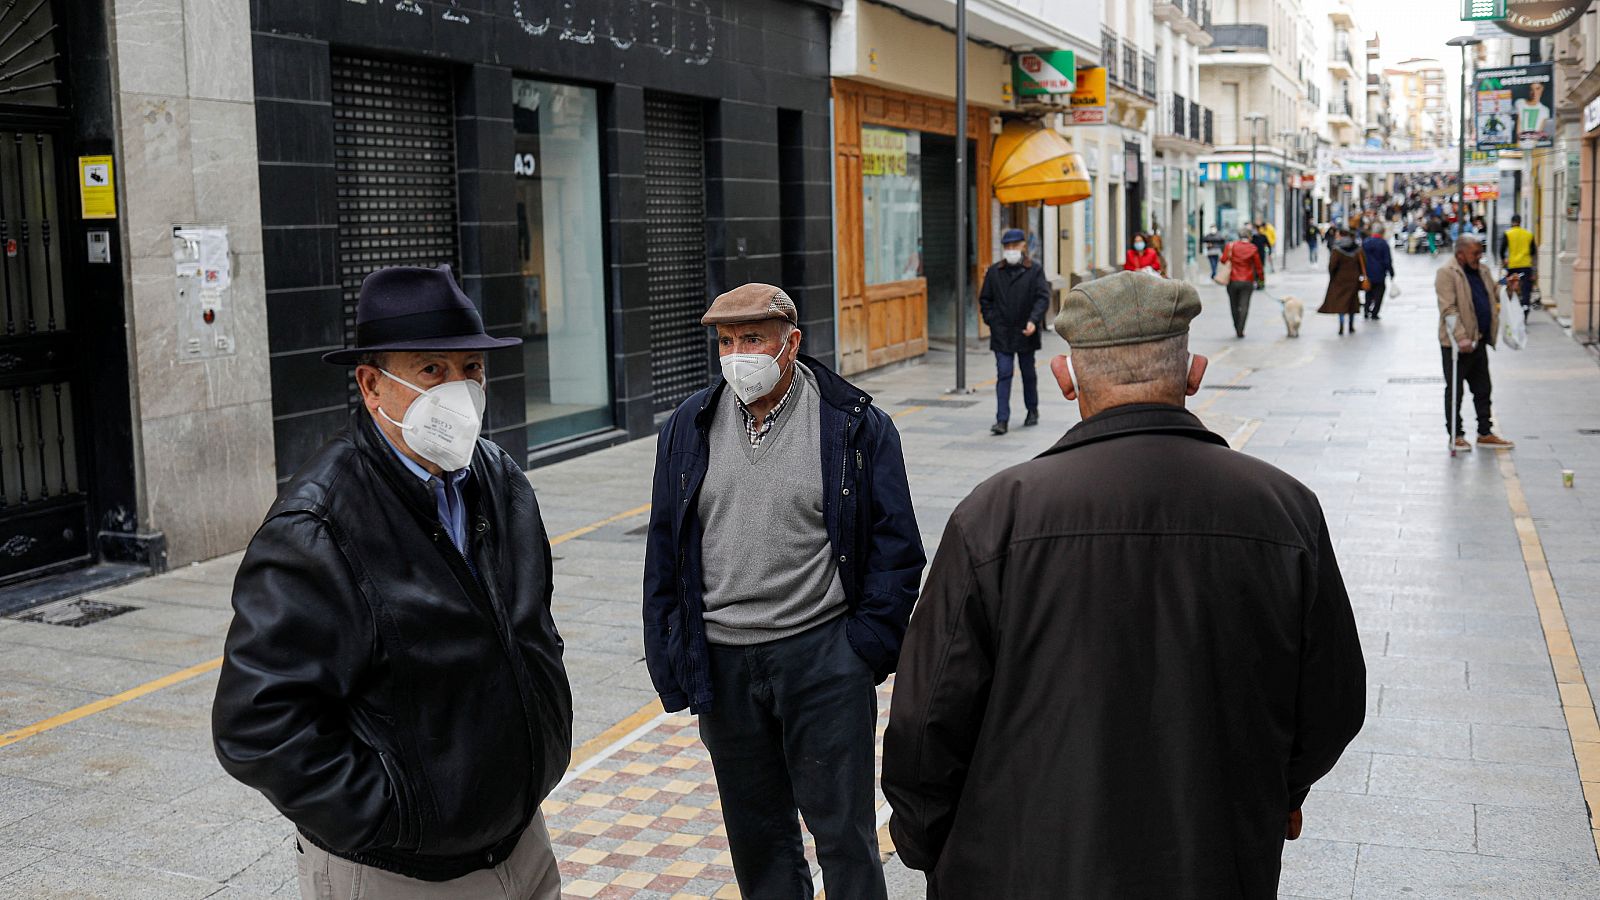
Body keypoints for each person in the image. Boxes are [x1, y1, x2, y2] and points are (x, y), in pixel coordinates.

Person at [882, 271, 1367, 898]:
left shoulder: (996, 515)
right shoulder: (1284, 509)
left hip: (1020, 864)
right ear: (1194, 372)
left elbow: (927, 717)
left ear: (1065, 376)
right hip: (1214, 861)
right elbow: (1332, 701)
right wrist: (1277, 790)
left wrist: (927, 841)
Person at [213, 265, 573, 899]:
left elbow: (531, 629)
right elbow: (257, 723)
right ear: (372, 385)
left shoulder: (501, 479)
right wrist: (395, 812)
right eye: (432, 370)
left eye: (471, 370)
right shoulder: (317, 526)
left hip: (522, 843)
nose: (459, 391)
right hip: (400, 874)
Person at [642, 283, 925, 900]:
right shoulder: (689, 426)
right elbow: (665, 546)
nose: (736, 353)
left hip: (822, 657)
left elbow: (897, 546)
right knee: (758, 838)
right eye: (725, 341)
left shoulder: (855, 424)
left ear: (790, 343)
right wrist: (672, 655)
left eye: (752, 340)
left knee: (844, 835)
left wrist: (864, 651)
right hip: (725, 663)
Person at [1438, 236, 1516, 451]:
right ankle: (1456, 434)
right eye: (1475, 253)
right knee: (1455, 391)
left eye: (1480, 252)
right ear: (1460, 254)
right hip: (1456, 345)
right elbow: (1449, 309)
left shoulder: (1482, 270)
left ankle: (1485, 432)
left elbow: (1493, 293)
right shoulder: (1447, 273)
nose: (1479, 256)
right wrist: (1461, 337)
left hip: (1479, 340)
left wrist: (1507, 289)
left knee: (1483, 389)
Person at [980, 228, 1052, 435]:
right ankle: (1001, 419)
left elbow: (1042, 297)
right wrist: (992, 321)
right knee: (1004, 373)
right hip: (1002, 331)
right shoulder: (995, 272)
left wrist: (1033, 320)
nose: (1010, 250)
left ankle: (1032, 410)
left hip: (1025, 330)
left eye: (1014, 246)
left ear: (1023, 246)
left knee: (1028, 373)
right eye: (1007, 247)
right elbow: (985, 300)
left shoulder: (1034, 270)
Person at [1321, 229, 1367, 335]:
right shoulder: (1357, 249)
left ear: (1341, 235)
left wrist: (1333, 276)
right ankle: (1351, 325)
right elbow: (1363, 263)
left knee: (1341, 302)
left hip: (1340, 279)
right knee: (1352, 302)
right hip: (1353, 280)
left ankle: (1341, 325)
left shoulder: (1337, 249)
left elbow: (1332, 265)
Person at [1223, 225, 1264, 338]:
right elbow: (1258, 266)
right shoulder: (1253, 248)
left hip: (1232, 280)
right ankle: (1240, 329)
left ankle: (1236, 326)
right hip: (1247, 280)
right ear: (1249, 237)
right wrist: (1261, 280)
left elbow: (1223, 260)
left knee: (1234, 305)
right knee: (1244, 305)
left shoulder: (1231, 246)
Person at [1498, 214, 1537, 319]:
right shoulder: (1528, 234)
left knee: (1511, 288)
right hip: (1526, 266)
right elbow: (1533, 251)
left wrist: (1503, 259)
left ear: (1512, 222)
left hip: (1512, 266)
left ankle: (1511, 309)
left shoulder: (1508, 233)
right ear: (1520, 222)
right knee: (1526, 289)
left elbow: (1502, 250)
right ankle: (1525, 309)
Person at [1361, 224, 1395, 321]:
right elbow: (1387, 260)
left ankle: (1366, 310)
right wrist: (1391, 272)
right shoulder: (1383, 244)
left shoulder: (1366, 242)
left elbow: (1361, 257)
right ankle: (1375, 312)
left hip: (1368, 272)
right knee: (1379, 293)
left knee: (1368, 292)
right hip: (1380, 272)